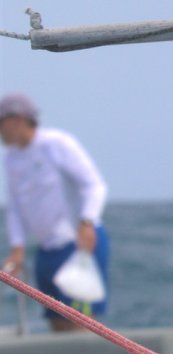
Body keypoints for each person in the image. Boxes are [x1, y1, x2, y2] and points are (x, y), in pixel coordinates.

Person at [2, 93, 110, 329]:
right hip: (46, 251)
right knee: (56, 324)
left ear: (18, 120)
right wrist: (17, 248)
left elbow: (94, 185)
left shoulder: (56, 144)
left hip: (79, 246)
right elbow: (15, 208)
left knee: (81, 326)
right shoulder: (11, 158)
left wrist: (87, 221)